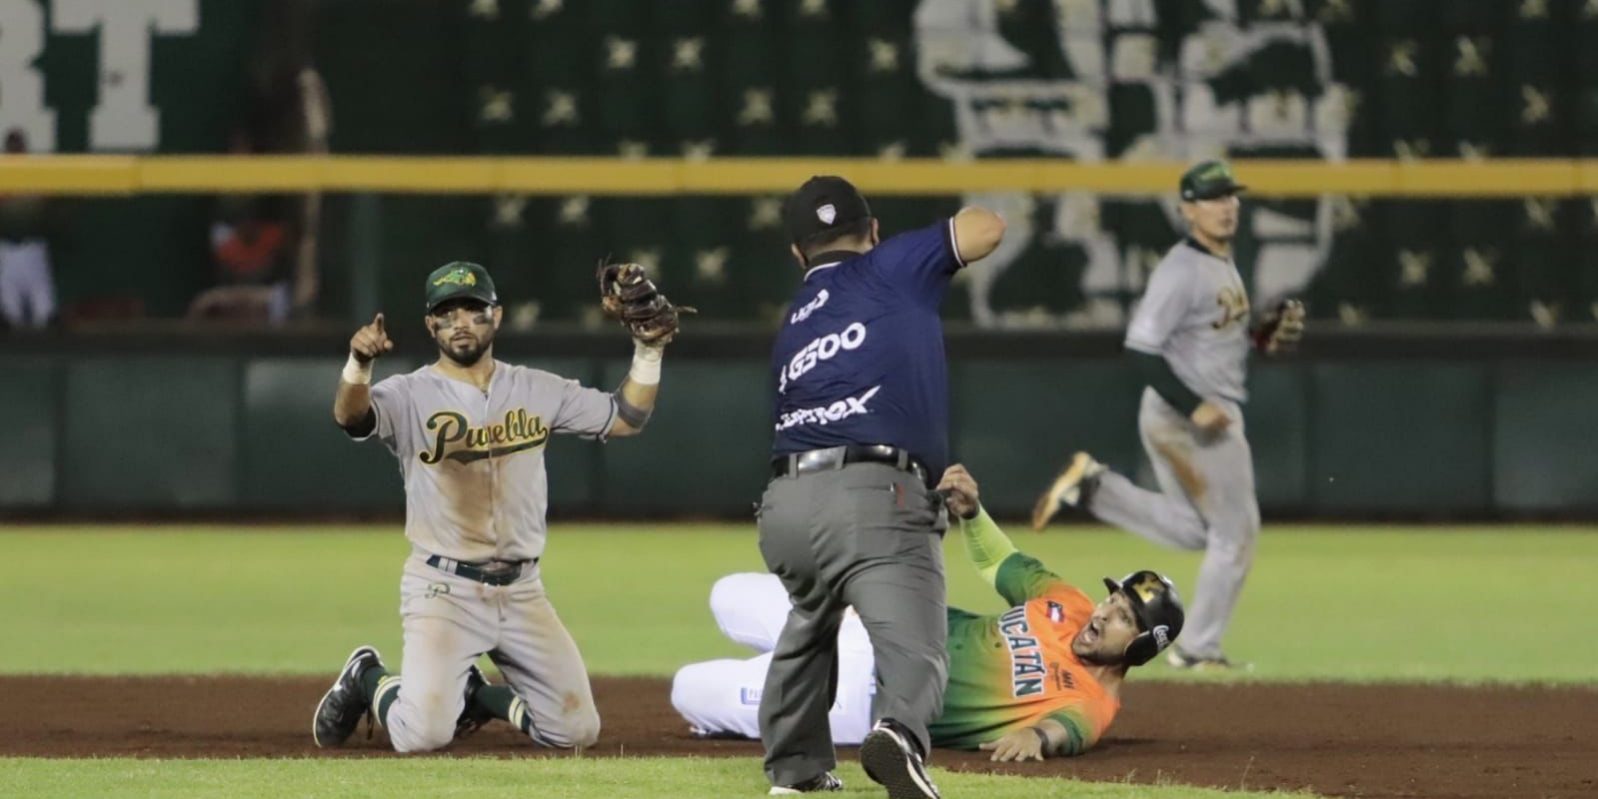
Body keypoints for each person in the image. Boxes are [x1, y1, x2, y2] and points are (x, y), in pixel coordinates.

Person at [312, 259, 685, 752]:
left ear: (498, 316)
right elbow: (351, 416)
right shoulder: (408, 394)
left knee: (575, 733)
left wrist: (649, 351)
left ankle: (479, 697)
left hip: (522, 591)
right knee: (420, 735)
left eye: (473, 309)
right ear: (430, 324)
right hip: (443, 588)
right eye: (447, 312)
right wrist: (358, 363)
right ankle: (369, 678)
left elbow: (625, 418)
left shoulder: (536, 388)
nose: (460, 322)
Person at [673, 464, 1186, 766]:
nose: (1102, 613)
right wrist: (974, 513)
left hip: (864, 698)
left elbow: (1063, 732)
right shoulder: (1068, 604)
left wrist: (1034, 738)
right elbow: (999, 562)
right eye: (1112, 599)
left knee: (687, 690)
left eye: (1122, 616)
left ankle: (768, 709)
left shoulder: (1090, 702)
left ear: (1142, 646)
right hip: (873, 622)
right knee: (727, 593)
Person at [758, 176, 1005, 798]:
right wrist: (922, 246)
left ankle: (796, 772)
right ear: (873, 232)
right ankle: (898, 734)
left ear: (796, 254)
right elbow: (986, 228)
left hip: (785, 506)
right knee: (917, 644)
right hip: (872, 496)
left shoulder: (792, 321)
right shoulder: (887, 267)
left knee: (810, 622)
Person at [1030, 161, 1303, 671]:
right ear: (1186, 210)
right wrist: (1191, 404)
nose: (1224, 206)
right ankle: (1199, 649)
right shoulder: (1181, 269)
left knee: (1199, 531)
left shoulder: (1219, 260)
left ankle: (1095, 487)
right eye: (1211, 199)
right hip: (1190, 419)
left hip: (1186, 413)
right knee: (1237, 533)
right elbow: (1140, 347)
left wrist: (1257, 337)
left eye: (1229, 197)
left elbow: (1208, 338)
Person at [0, 130, 56, 330]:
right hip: (6, 250)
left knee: (45, 314)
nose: (15, 152)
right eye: (11, 149)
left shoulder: (35, 172)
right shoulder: (2, 173)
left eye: (18, 148)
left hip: (34, 249)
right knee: (9, 316)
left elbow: (47, 203)